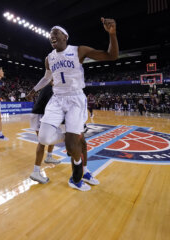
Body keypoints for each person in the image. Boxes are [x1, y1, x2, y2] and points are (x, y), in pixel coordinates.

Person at [26, 17, 118, 191]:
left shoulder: (79, 50)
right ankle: (71, 137)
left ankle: (79, 174)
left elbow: (111, 56)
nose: (52, 36)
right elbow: (46, 78)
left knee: (75, 143)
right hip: (57, 99)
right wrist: (34, 90)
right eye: (50, 35)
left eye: (56, 33)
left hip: (75, 99)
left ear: (65, 36)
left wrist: (112, 34)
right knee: (45, 138)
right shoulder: (49, 58)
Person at [28, 81, 61, 184]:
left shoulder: (51, 88)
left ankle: (49, 156)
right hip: (39, 115)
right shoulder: (49, 89)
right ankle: (36, 172)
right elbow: (51, 107)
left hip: (43, 114)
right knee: (42, 142)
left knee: (54, 133)